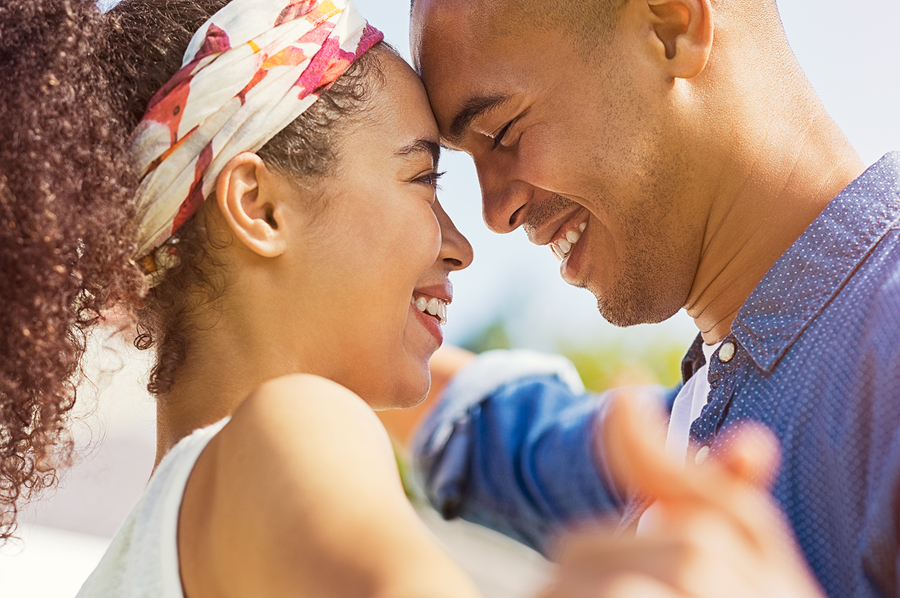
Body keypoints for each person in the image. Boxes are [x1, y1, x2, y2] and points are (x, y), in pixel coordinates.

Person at [407, 0, 900, 596]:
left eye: (505, 132)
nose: (494, 216)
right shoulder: (689, 429)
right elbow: (506, 437)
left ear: (672, 29)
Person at [2, 0, 490, 595]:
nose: (462, 245)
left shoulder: (130, 566)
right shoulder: (293, 428)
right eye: (423, 179)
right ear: (259, 207)